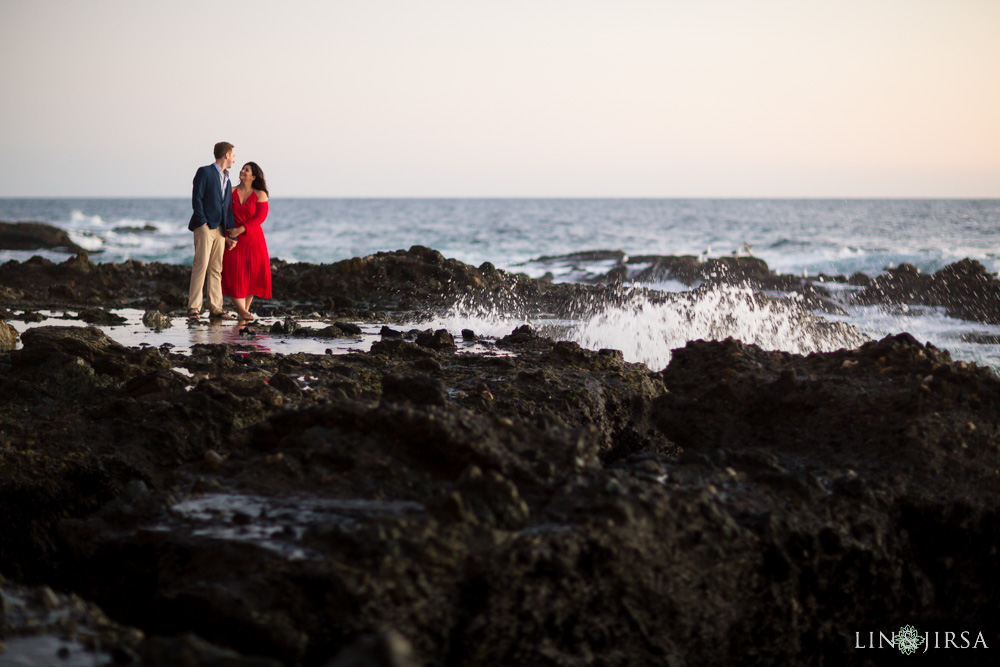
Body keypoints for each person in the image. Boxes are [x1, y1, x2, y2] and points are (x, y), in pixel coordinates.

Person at [188, 142, 237, 319]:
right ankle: (194, 309)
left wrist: (230, 233)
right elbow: (197, 198)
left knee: (216, 269)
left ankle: (216, 310)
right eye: (233, 155)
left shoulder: (228, 178)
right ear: (226, 155)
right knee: (201, 265)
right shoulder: (205, 172)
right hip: (205, 226)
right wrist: (202, 222)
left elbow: (228, 209)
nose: (234, 159)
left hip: (221, 230)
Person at [222, 161, 271, 321]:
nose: (242, 171)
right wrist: (229, 234)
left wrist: (240, 229)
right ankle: (242, 311)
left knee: (251, 276)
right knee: (234, 274)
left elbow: (260, 218)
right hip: (233, 240)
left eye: (247, 170)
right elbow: (222, 214)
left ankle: (244, 311)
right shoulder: (230, 191)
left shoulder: (260, 194)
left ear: (254, 176)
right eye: (243, 168)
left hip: (254, 240)